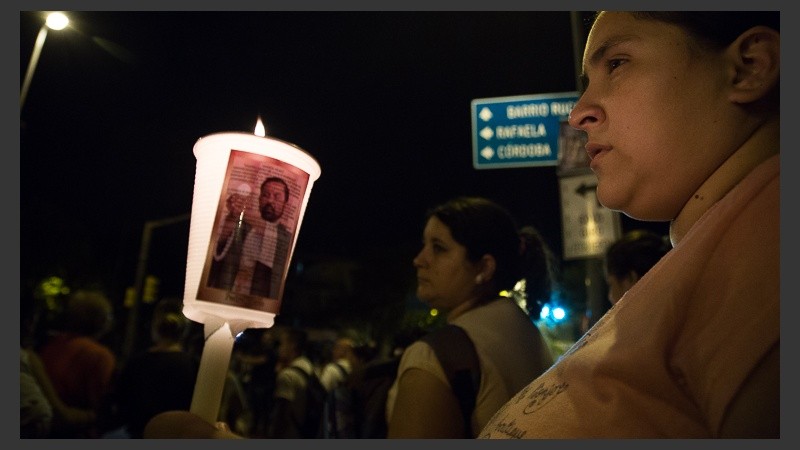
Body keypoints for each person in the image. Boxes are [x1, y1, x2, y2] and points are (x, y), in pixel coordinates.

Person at [480, 11, 779, 438]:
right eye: (586, 83)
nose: (579, 112)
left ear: (750, 66)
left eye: (617, 64)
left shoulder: (768, 245)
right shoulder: (717, 249)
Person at [386, 196, 556, 438]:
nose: (419, 260)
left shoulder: (435, 357)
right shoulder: (527, 334)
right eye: (424, 245)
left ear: (484, 268)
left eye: (439, 248)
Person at [110, 299, 199, 438]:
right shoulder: (193, 366)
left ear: (155, 326)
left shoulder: (136, 362)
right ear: (184, 330)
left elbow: (120, 404)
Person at [37, 289, 117, 438]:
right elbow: (100, 404)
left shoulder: (52, 345)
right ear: (101, 320)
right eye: (109, 316)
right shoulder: (99, 355)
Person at [581, 229, 671, 333]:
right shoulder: (683, 318)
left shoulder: (638, 337)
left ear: (631, 278)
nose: (610, 296)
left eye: (611, 284)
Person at [236, 176, 293, 299]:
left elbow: (269, 232)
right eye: (266, 195)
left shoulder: (286, 237)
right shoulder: (243, 227)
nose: (270, 201)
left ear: (285, 204)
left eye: (277, 197)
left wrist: (242, 212)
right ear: (259, 199)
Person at [207, 183, 253, 291]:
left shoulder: (247, 228)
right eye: (236, 199)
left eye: (243, 200)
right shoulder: (217, 219)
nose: (238, 203)